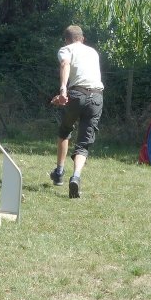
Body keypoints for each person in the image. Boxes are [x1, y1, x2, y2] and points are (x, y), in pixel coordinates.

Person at [50, 25, 104, 198]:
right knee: (84, 143)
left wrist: (63, 90)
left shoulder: (66, 49)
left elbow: (65, 64)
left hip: (76, 94)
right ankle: (76, 177)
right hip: (96, 97)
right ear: (83, 38)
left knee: (65, 130)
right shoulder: (93, 52)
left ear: (66, 39)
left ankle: (59, 172)